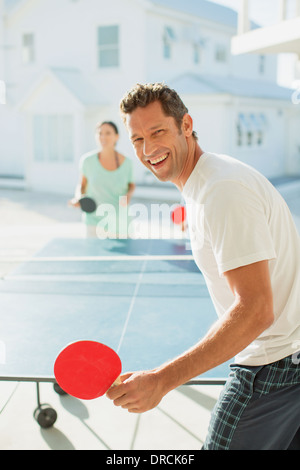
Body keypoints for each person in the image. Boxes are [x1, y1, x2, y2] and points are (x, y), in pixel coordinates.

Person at [106, 83, 300, 450]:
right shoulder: (210, 182)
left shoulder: (221, 191)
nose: (148, 150)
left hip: (270, 368)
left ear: (186, 125)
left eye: (158, 131)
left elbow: (257, 309)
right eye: (137, 140)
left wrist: (161, 380)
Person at [69, 121, 135, 238]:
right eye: (100, 133)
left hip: (121, 224)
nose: (103, 137)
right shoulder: (87, 161)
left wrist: (128, 196)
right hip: (94, 223)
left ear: (116, 136)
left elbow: (131, 185)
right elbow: (82, 185)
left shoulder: (127, 163)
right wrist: (78, 197)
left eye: (108, 133)